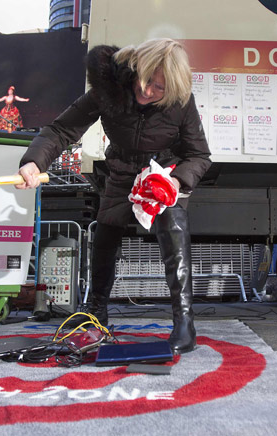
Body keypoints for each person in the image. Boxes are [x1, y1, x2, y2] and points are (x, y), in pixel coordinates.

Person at [15, 38, 211, 354]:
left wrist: (176, 181)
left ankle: (184, 322)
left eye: (159, 89)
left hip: (161, 176)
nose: (147, 91)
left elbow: (200, 155)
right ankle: (96, 310)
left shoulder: (181, 101)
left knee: (174, 227)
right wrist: (34, 162)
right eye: (145, 81)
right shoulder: (109, 88)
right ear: (136, 69)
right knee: (105, 233)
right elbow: (61, 130)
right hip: (121, 171)